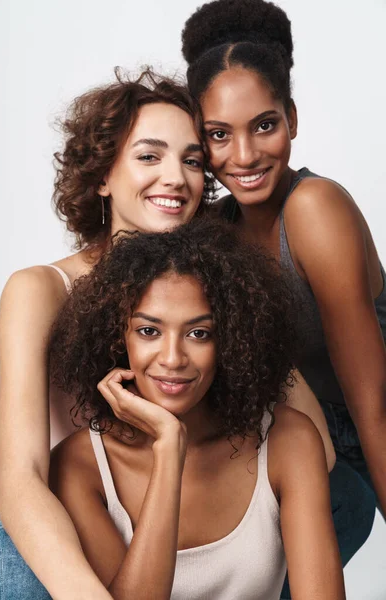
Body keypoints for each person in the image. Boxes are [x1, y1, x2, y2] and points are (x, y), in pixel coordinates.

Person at [0, 69, 213, 600]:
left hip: (165, 521)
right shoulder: (42, 288)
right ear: (103, 176)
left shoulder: (215, 292)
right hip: (51, 537)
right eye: (150, 156)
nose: (176, 178)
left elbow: (311, 449)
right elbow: (19, 478)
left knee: (342, 493)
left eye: (193, 160)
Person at [181, 0, 381, 592]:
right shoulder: (215, 229)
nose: (243, 157)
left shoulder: (315, 210)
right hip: (284, 450)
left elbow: (373, 404)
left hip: (354, 446)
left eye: (263, 125)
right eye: (218, 134)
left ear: (292, 117)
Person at [48, 218, 346, 600]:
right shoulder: (80, 466)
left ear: (233, 341)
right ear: (116, 336)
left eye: (199, 333)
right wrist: (169, 447)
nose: (172, 359)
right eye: (149, 331)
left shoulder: (288, 441)